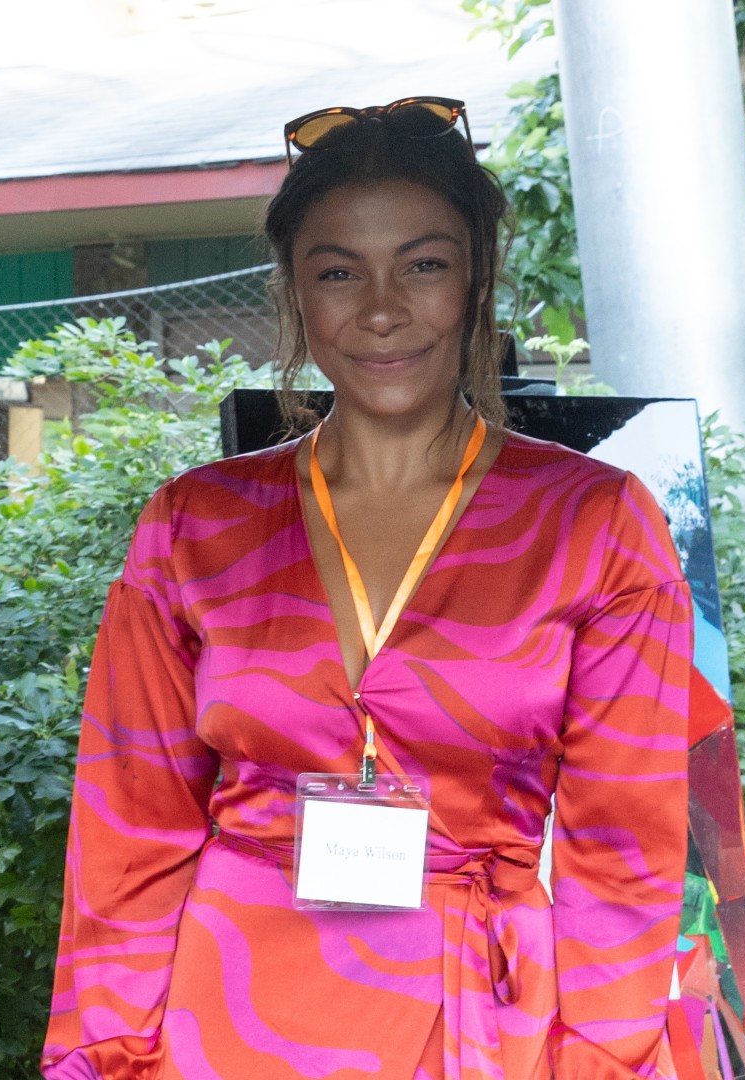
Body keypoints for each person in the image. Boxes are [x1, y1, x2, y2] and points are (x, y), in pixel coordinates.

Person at [43, 98, 690, 1079]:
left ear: (478, 280)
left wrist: (603, 1060)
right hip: (227, 1018)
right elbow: (128, 831)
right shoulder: (197, 525)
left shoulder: (593, 523)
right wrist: (110, 1057)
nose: (381, 309)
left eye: (423, 265)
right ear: (294, 292)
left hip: (481, 1021)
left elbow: (626, 853)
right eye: (338, 271)